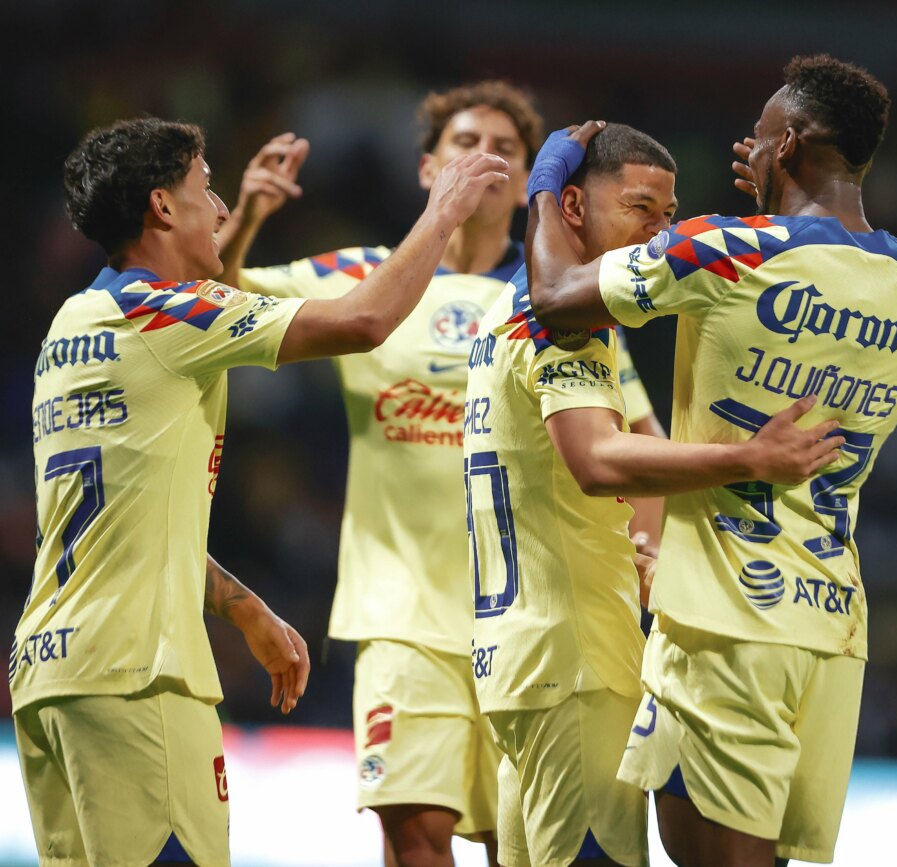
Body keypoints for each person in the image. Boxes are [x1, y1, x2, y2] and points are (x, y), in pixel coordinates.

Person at [11, 116, 506, 866]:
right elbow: (365, 319)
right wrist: (443, 214)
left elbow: (122, 524)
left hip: (50, 675)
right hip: (137, 674)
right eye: (206, 190)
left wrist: (241, 605)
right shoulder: (165, 311)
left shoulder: (72, 324)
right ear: (163, 207)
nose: (219, 211)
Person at [214, 82, 665, 867]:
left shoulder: (556, 302)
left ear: (533, 181)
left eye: (506, 147)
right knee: (414, 832)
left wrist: (647, 558)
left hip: (529, 618)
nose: (484, 156)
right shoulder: (368, 276)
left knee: (513, 842)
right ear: (429, 170)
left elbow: (639, 441)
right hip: (401, 615)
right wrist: (248, 214)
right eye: (466, 142)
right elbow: (213, 299)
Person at [524, 54, 897, 867]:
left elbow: (555, 293)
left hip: (727, 617)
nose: (744, 149)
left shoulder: (723, 253)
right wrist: (765, 204)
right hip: (831, 623)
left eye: (757, 138)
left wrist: (548, 180)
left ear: (788, 143)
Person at [466, 121, 843, 867]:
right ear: (572, 207)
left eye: (668, 215)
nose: (657, 233)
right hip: (579, 667)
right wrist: (748, 457)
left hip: (514, 663)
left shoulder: (500, 312)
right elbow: (597, 460)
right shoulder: (566, 327)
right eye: (640, 208)